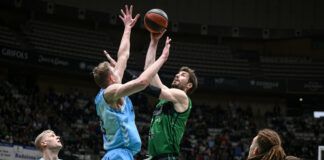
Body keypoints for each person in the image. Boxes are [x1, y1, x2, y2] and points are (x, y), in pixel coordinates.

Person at [92, 5, 171, 160]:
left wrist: (128, 28)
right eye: (114, 70)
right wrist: (162, 58)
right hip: (118, 154)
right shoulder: (110, 92)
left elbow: (123, 55)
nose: (118, 68)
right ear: (111, 78)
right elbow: (142, 82)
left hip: (122, 154)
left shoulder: (114, 86)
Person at [143, 31, 198, 160]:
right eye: (178, 73)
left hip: (166, 157)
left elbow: (149, 87)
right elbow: (148, 70)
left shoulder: (182, 97)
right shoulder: (167, 97)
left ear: (189, 85)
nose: (177, 75)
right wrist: (154, 42)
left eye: (183, 75)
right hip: (153, 156)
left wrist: (133, 83)